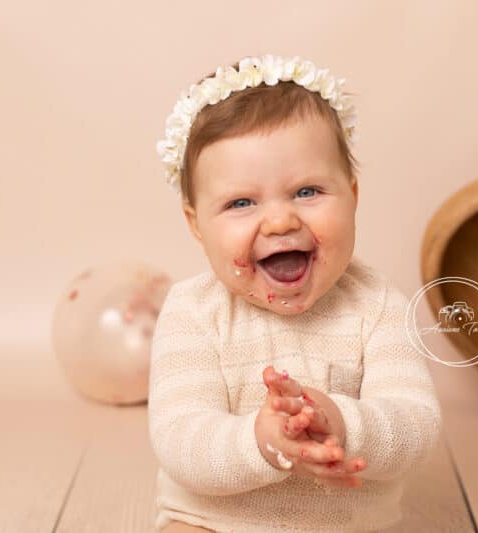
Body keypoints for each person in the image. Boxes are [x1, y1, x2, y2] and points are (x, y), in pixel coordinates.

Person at [148, 54, 442, 532]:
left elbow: (417, 424)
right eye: (241, 203)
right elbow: (179, 438)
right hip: (213, 522)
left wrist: (345, 425)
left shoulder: (378, 305)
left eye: (307, 192)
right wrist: (260, 441)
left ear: (352, 195)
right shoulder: (192, 312)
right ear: (195, 224)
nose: (281, 221)